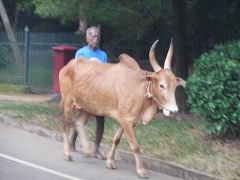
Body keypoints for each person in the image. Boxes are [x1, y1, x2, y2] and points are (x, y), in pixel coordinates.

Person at [69, 26, 107, 160]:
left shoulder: (103, 55)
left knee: (101, 119)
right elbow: (76, 73)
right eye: (93, 36)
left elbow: (105, 74)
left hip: (99, 92)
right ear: (87, 38)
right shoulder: (80, 53)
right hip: (85, 92)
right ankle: (71, 142)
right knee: (82, 118)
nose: (96, 39)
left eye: (98, 36)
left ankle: (96, 149)